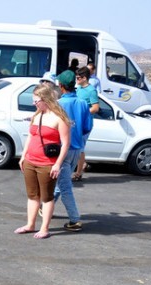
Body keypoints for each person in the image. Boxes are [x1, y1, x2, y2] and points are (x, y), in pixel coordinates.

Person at [15, 84, 70, 239]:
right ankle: (30, 224)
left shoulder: (59, 119)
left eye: (36, 101)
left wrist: (57, 164)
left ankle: (44, 228)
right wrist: (23, 156)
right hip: (30, 161)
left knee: (46, 197)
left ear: (46, 99)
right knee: (32, 195)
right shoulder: (37, 115)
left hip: (47, 164)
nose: (34, 104)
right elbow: (30, 136)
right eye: (33, 101)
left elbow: (66, 144)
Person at [53, 70, 93, 232]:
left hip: (62, 150)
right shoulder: (82, 103)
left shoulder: (58, 105)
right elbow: (87, 127)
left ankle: (74, 219)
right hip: (76, 149)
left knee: (65, 187)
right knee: (62, 181)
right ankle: (45, 206)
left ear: (61, 86)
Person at [73, 66, 99, 181]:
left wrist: (82, 112)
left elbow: (95, 108)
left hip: (85, 124)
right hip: (76, 122)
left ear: (84, 78)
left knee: (80, 148)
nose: (77, 80)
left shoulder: (91, 91)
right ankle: (82, 165)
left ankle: (78, 173)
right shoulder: (79, 88)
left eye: (78, 78)